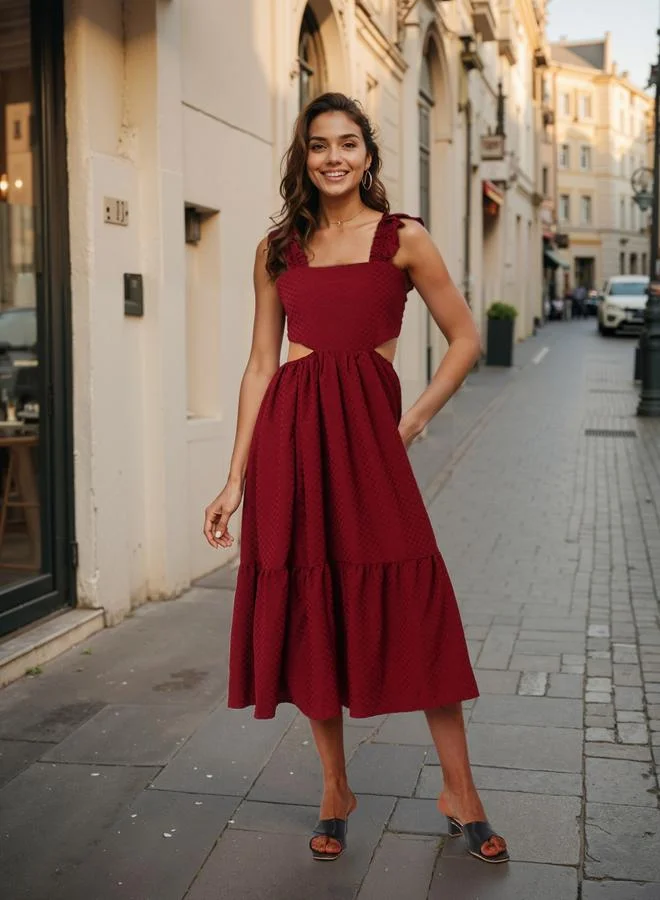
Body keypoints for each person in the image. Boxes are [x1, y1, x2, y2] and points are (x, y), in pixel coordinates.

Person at [203, 92, 509, 866]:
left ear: (368, 153)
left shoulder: (402, 238)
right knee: (315, 608)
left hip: (371, 448)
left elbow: (465, 339)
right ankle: (335, 789)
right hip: (291, 446)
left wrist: (412, 422)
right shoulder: (279, 248)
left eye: (347, 143)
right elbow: (261, 365)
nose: (333, 157)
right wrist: (235, 478)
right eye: (318, 145)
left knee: (416, 600)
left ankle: (462, 792)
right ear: (303, 157)